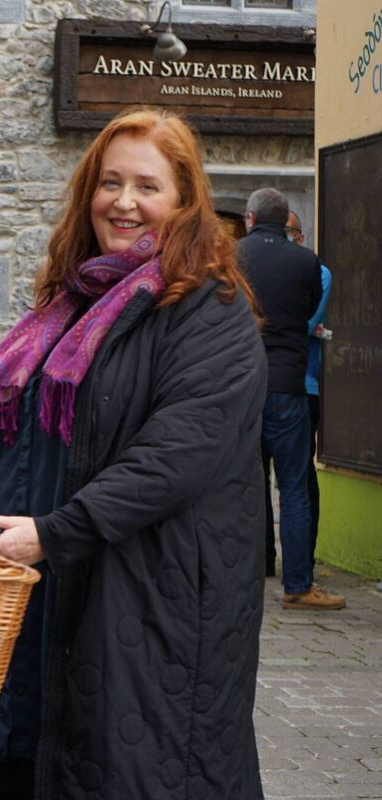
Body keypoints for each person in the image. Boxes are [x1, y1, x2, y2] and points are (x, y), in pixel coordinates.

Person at [0, 108, 268, 798]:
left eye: (147, 186)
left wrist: (55, 534)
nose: (125, 202)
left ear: (184, 200)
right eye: (109, 183)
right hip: (32, 602)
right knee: (19, 766)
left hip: (140, 607)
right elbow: (21, 439)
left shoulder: (209, 308)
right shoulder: (68, 304)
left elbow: (176, 456)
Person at [239, 190, 344, 611]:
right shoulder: (307, 263)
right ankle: (298, 585)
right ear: (286, 223)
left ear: (249, 218)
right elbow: (305, 318)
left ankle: (236, 579)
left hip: (243, 387)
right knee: (295, 487)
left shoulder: (231, 257)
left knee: (240, 486)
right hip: (289, 386)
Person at [284, 212, 332, 564]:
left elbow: (308, 323)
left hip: (305, 386)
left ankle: (303, 563)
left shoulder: (319, 272)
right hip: (263, 383)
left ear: (299, 236)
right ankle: (263, 560)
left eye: (285, 232)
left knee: (299, 477)